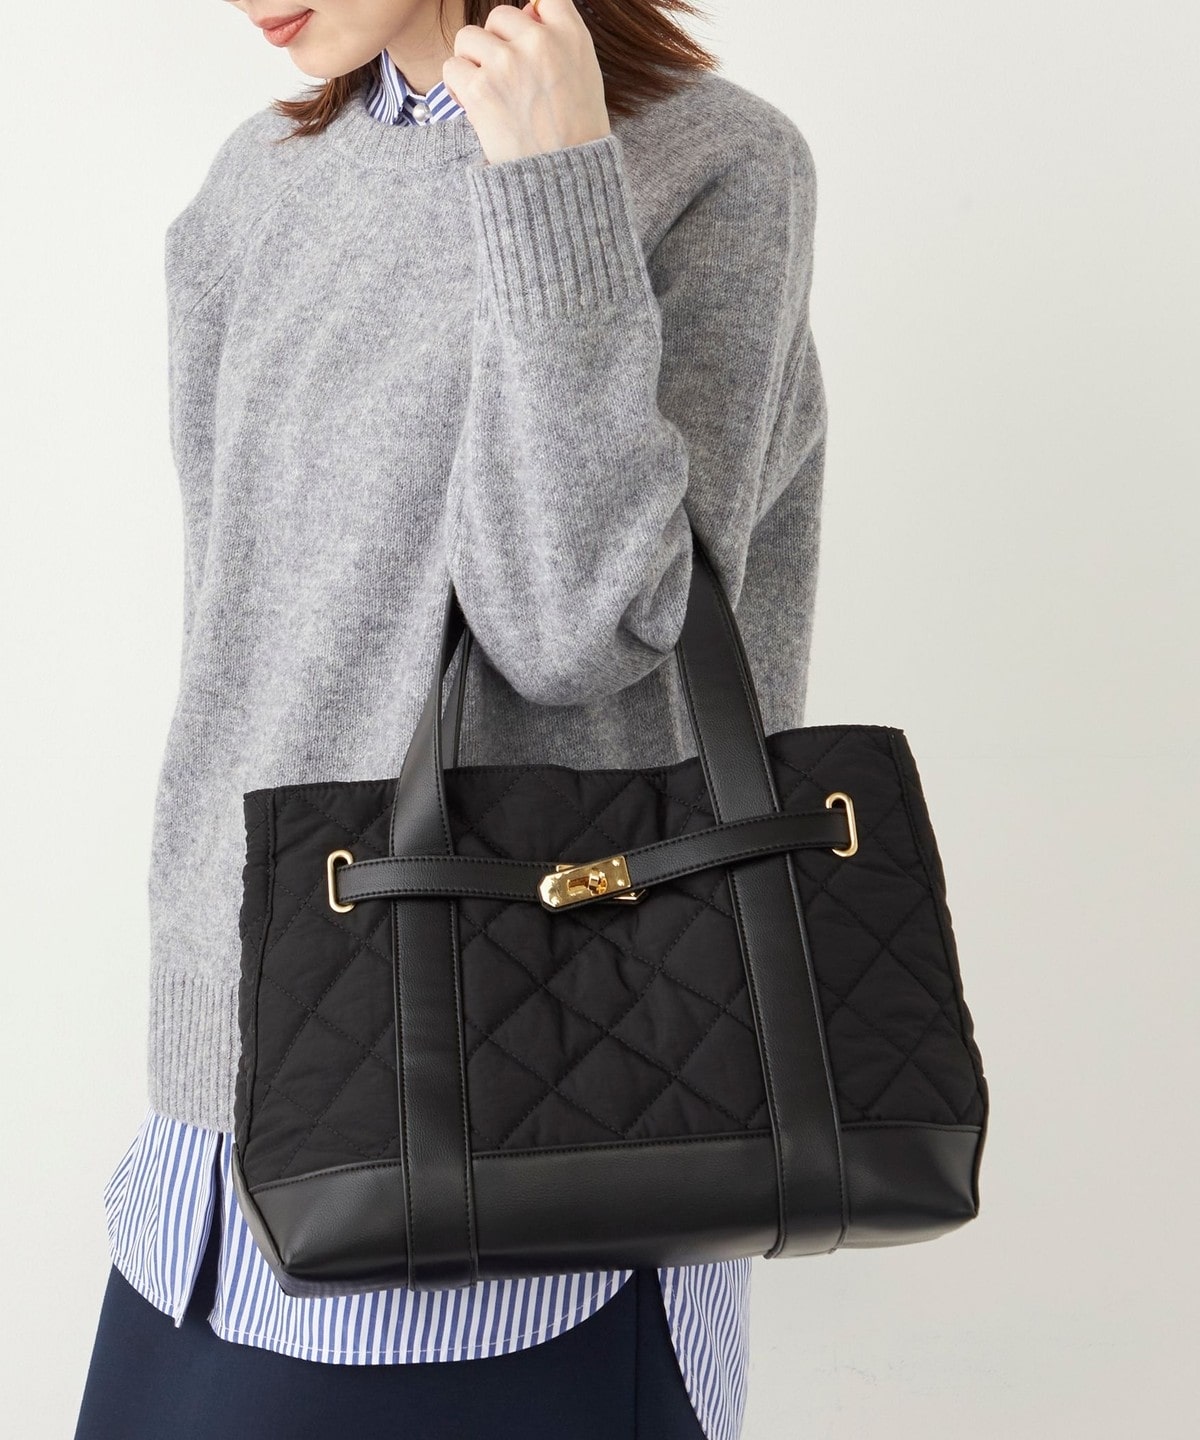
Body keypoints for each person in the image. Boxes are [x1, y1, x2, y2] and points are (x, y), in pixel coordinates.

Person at [71, 2, 828, 1436]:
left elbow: (571, 622)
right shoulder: (258, 184)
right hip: (203, 1180)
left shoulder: (715, 165)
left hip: (523, 1155)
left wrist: (552, 189)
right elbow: (237, 646)